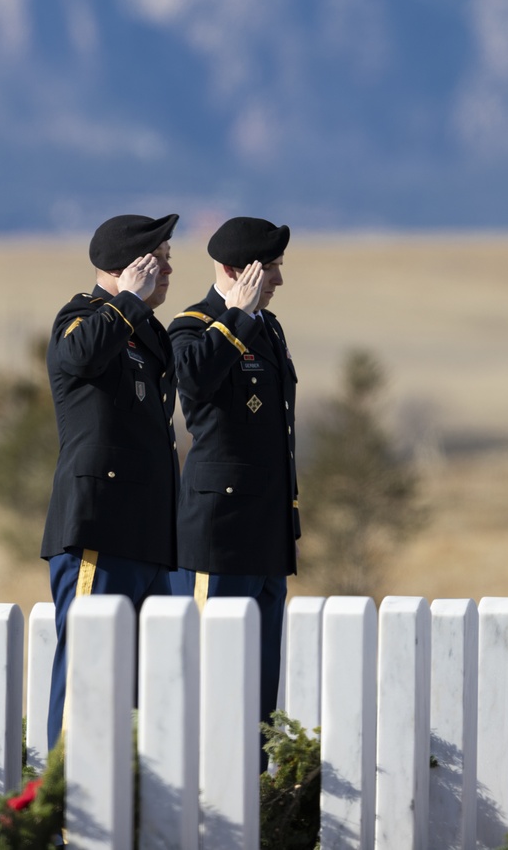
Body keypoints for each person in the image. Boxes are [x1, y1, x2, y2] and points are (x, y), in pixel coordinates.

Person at [40, 211, 179, 748]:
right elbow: (75, 358)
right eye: (158, 262)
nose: (167, 272)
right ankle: (67, 822)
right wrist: (127, 301)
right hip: (101, 529)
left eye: (168, 262)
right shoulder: (83, 318)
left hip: (146, 536)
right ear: (130, 267)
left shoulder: (145, 332)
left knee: (142, 692)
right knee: (86, 676)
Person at [169, 216, 298, 738]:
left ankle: (256, 796)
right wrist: (236, 316)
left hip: (266, 529)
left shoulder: (269, 328)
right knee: (209, 674)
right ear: (233, 270)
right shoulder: (193, 324)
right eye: (270, 270)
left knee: (260, 690)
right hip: (218, 532)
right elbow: (195, 380)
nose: (278, 281)